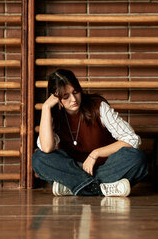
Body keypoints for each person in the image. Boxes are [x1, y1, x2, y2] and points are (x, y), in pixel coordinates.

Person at [32, 69, 148, 197]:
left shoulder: (98, 106)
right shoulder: (53, 114)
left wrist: (96, 154)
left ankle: (76, 187)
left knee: (137, 158)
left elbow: (132, 139)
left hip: (105, 167)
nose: (73, 99)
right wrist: (46, 108)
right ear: (57, 98)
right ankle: (101, 188)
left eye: (76, 92)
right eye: (66, 96)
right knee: (39, 159)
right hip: (72, 169)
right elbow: (47, 148)